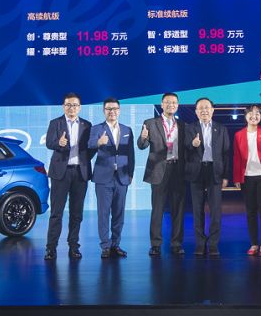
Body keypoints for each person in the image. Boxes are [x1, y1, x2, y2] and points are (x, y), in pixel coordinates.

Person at [43, 92, 93, 260]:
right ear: (63, 107)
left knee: (76, 213)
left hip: (80, 173)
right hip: (60, 173)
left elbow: (90, 149)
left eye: (75, 105)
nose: (72, 108)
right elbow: (49, 143)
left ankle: (74, 247)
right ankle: (51, 248)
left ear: (79, 107)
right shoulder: (55, 123)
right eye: (68, 105)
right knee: (56, 213)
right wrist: (59, 143)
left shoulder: (87, 125)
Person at [138, 92, 188, 256]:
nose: (170, 105)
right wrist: (143, 138)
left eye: (174, 103)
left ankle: (176, 244)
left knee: (178, 209)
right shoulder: (150, 123)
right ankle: (155, 244)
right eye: (167, 102)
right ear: (161, 104)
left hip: (178, 170)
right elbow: (141, 146)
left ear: (177, 105)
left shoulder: (183, 125)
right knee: (157, 209)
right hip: (159, 169)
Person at [89, 98, 134, 258]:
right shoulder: (96, 129)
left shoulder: (127, 129)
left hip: (122, 177)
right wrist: (98, 142)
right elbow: (89, 145)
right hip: (103, 177)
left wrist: (130, 174)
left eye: (115, 108)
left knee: (119, 213)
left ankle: (116, 244)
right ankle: (105, 246)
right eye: (108, 109)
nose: (112, 111)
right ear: (104, 111)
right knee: (103, 213)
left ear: (119, 111)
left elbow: (130, 154)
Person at [185, 97, 230, 256]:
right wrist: (192, 145)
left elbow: (226, 153)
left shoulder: (221, 128)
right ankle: (200, 243)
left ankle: (213, 244)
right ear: (196, 111)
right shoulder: (189, 128)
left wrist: (226, 176)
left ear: (212, 110)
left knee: (215, 210)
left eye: (207, 107)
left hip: (214, 171)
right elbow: (184, 151)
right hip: (196, 172)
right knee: (197, 210)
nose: (204, 110)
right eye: (201, 108)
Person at [232, 105, 261, 257]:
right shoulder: (239, 135)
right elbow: (237, 157)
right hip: (247, 177)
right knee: (250, 211)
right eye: (251, 113)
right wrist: (237, 177)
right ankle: (254, 244)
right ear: (245, 116)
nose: (254, 116)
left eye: (257, 113)